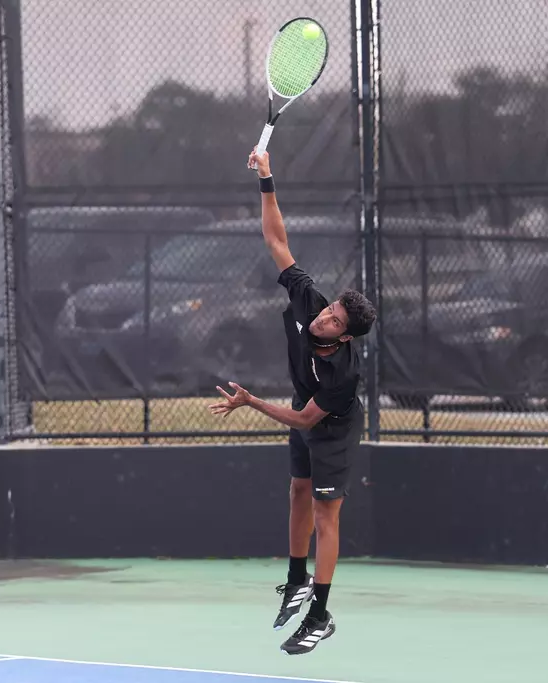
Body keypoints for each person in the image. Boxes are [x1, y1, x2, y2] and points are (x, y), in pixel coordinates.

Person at [209, 146, 377, 656]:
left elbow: (306, 419)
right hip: (303, 411)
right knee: (296, 492)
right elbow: (276, 238)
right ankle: (296, 577)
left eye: (334, 322)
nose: (324, 318)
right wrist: (267, 177)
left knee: (327, 516)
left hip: (331, 428)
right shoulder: (308, 299)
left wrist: (251, 402)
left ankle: (321, 615)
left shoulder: (342, 373)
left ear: (345, 338)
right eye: (328, 310)